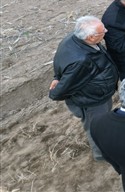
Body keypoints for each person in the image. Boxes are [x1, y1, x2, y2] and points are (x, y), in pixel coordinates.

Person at [48, 16, 119, 161]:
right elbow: (62, 89)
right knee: (95, 127)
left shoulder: (73, 38)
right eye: (102, 31)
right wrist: (54, 90)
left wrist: (57, 77)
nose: (106, 31)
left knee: (102, 122)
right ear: (91, 37)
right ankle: (101, 154)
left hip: (99, 93)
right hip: (93, 101)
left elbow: (60, 62)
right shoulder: (81, 61)